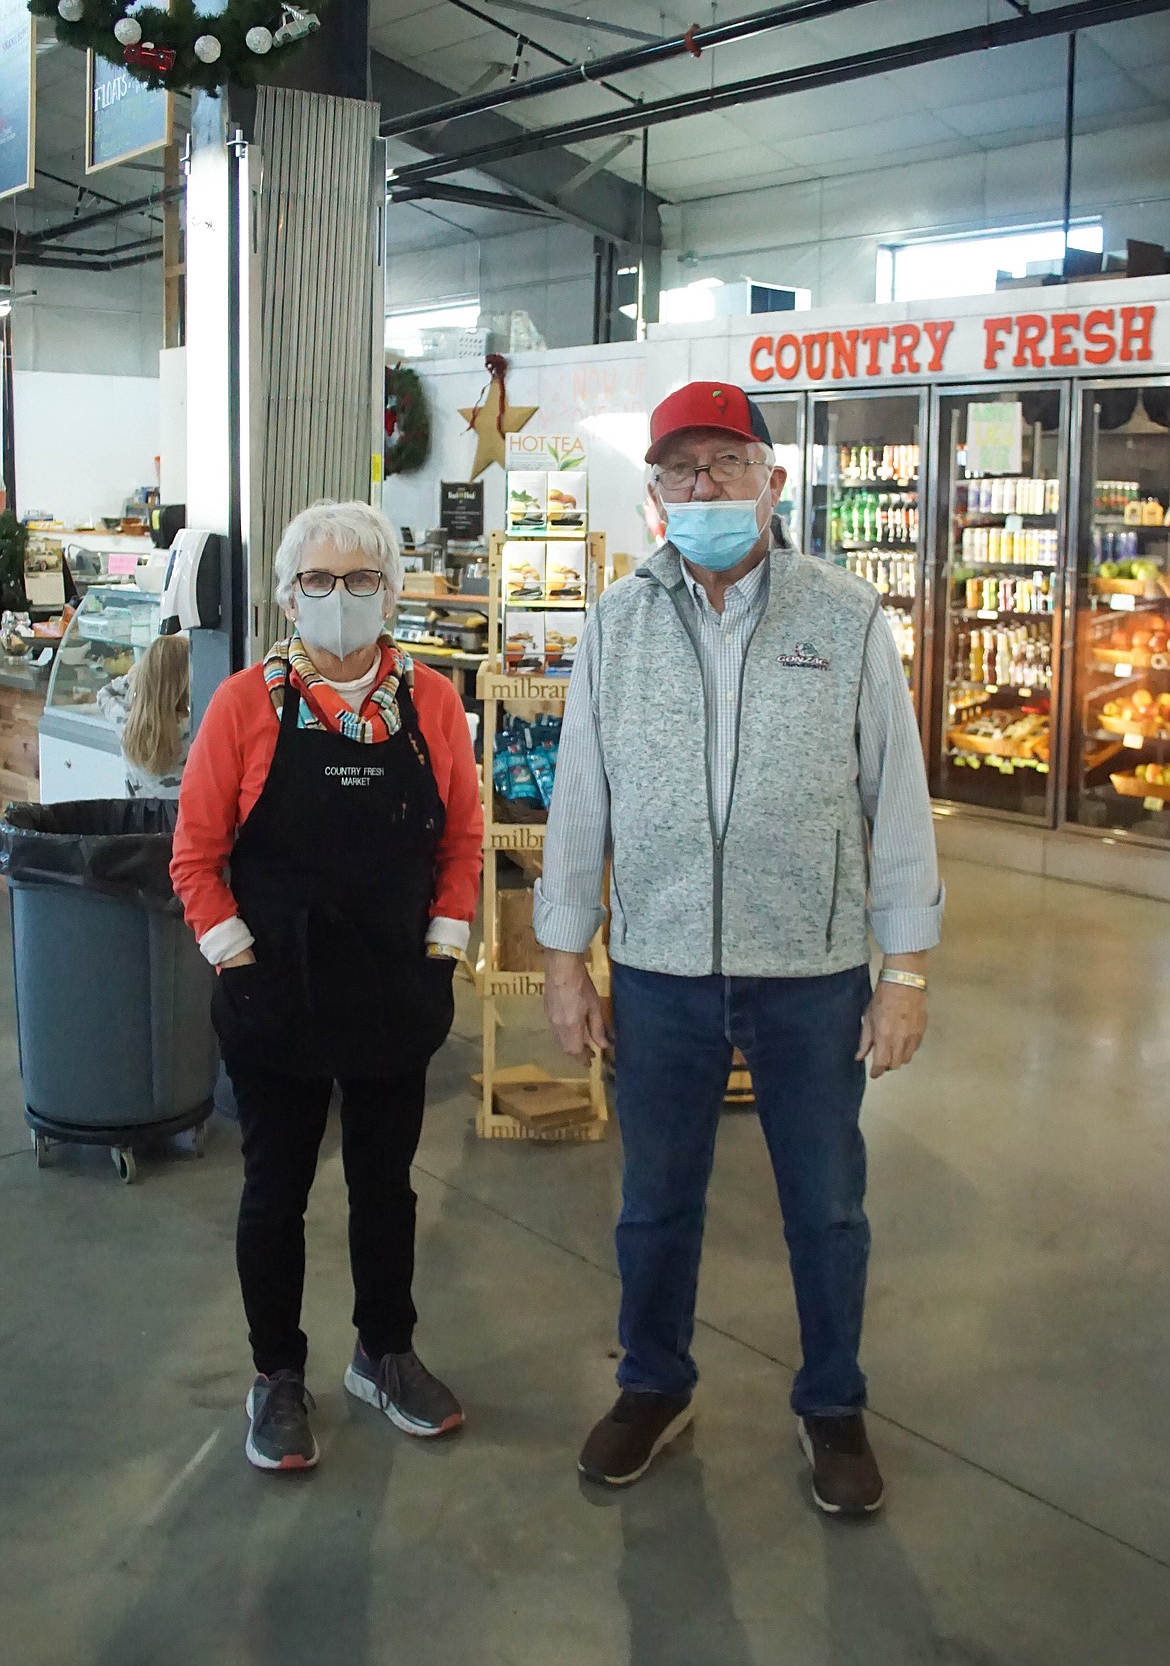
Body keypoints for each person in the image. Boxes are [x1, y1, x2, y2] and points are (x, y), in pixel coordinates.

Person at [535, 382, 943, 1515]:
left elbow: (895, 802)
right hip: (661, 969)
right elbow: (581, 802)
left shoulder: (846, 616)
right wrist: (568, 957)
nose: (702, 487)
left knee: (827, 1205)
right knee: (655, 1201)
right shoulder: (615, 623)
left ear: (773, 478)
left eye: (724, 463)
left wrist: (903, 969)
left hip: (811, 974)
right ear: (655, 492)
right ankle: (654, 1384)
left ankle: (833, 1403)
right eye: (679, 470)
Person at [171, 501, 482, 1473]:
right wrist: (238, 963)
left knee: (384, 1190)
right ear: (286, 593)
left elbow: (464, 840)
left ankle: (384, 1354)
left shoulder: (430, 702)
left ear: (390, 591)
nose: (338, 600)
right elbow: (195, 857)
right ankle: (276, 1375)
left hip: (394, 993)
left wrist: (442, 955)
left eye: (359, 581)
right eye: (317, 581)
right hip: (278, 999)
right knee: (275, 1193)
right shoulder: (244, 707)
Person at [98, 632, 190, 799]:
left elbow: (105, 694)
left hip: (138, 820)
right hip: (178, 821)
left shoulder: (125, 722)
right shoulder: (192, 728)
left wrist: (136, 677)